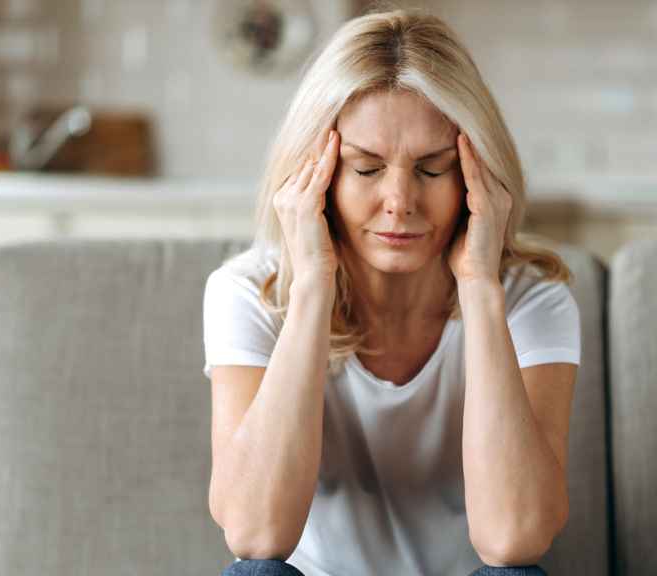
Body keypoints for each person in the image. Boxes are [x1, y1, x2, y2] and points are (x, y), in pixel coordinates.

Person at [203, 7, 580, 576]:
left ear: (476, 175)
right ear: (316, 174)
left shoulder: (532, 299)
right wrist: (311, 291)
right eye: (366, 168)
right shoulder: (247, 291)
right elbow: (254, 535)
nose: (400, 201)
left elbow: (514, 539)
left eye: (431, 169)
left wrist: (479, 288)